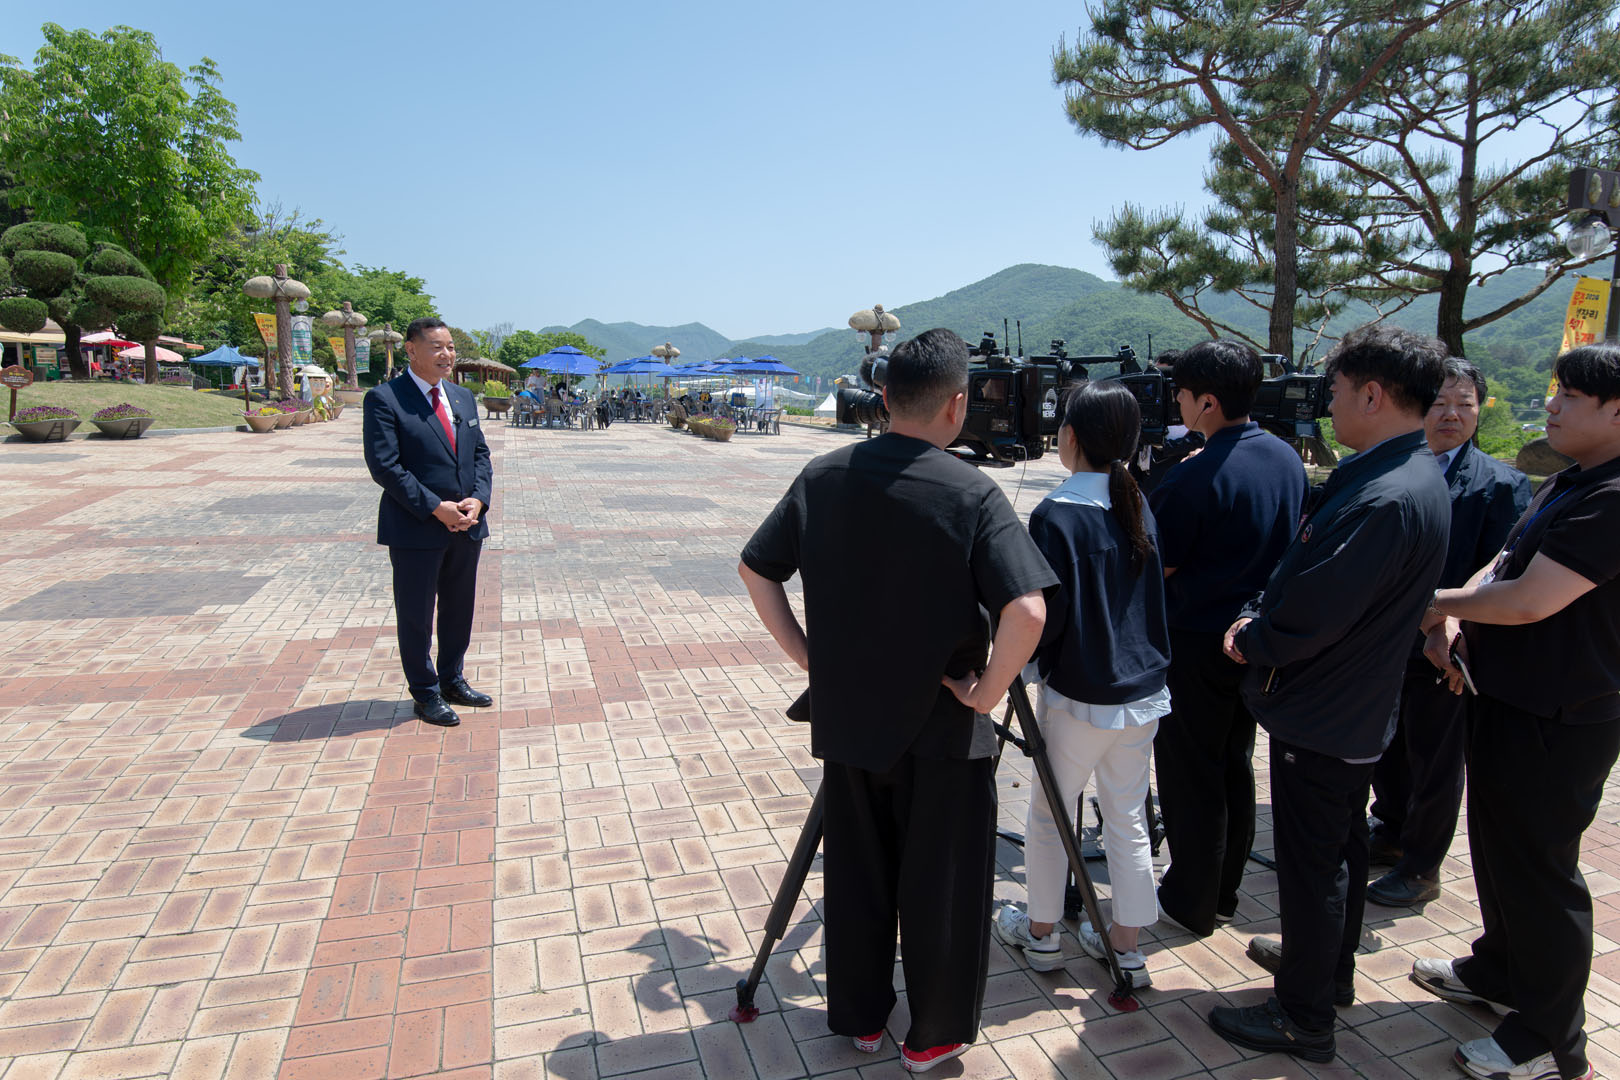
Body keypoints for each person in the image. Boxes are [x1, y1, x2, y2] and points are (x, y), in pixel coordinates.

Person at [738, 328, 1055, 1074]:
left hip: (850, 721)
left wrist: (810, 658)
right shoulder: (971, 491)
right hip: (943, 726)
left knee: (858, 876)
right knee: (942, 886)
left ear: (882, 397)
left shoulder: (823, 475)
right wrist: (987, 692)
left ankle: (861, 1019)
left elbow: (757, 569)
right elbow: (1027, 610)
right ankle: (932, 1034)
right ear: (958, 404)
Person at [1210, 324, 1450, 1062]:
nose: (1329, 403)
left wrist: (1250, 636)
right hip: (1354, 707)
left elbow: (1314, 613)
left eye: (1337, 390)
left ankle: (1302, 1015)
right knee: (1338, 850)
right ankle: (1325, 971)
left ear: (1373, 395)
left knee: (1312, 867)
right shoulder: (1407, 473)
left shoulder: (1386, 495)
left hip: (1326, 709)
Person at [1413, 343, 1620, 1080]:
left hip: (1560, 713)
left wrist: (1428, 604)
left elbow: (1533, 600)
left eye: (1571, 397)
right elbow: (1504, 565)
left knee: (1540, 869)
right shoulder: (1572, 478)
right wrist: (1457, 617)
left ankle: (1551, 1038)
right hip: (1505, 693)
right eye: (1554, 392)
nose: (1552, 406)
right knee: (1499, 850)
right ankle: (1498, 970)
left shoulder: (1613, 496)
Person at [992, 381, 1169, 989]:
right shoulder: (1138, 503)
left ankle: (1041, 934)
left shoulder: (1057, 514)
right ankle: (1126, 947)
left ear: (1069, 436)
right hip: (1143, 690)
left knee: (1050, 814)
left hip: (1081, 695)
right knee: (1127, 816)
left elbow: (1047, 615)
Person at [1147, 340, 1309, 937]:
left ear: (1207, 402)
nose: (1177, 403)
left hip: (1195, 643)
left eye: (1182, 394)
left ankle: (1191, 897)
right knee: (1235, 764)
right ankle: (1224, 892)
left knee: (1191, 773)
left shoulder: (1193, 477)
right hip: (1254, 635)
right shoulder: (1285, 457)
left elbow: (1158, 567)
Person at [1365, 358, 1531, 907]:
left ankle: (1421, 868)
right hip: (1388, 637)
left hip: (1447, 644)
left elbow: (1501, 569)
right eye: (1440, 403)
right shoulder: (1393, 467)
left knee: (1436, 759)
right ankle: (1390, 830)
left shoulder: (1500, 484)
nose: (1452, 415)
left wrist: (1452, 627)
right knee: (1387, 747)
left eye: (1465, 405)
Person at [362, 317, 494, 728]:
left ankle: (452, 679)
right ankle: (425, 692)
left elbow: (480, 455)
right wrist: (437, 507)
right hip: (416, 526)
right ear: (411, 349)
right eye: (437, 346)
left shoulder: (462, 397)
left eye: (451, 347)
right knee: (416, 614)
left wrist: (479, 500)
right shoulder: (386, 399)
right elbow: (385, 466)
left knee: (459, 607)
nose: (447, 354)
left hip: (466, 525)